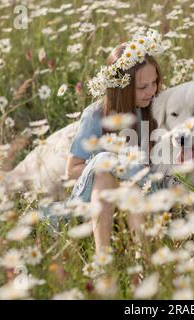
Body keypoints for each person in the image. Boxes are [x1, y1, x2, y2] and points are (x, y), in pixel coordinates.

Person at [65, 30, 164, 257]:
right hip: (100, 199)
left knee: (130, 186)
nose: (152, 91)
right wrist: (115, 166)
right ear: (122, 87)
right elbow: (71, 170)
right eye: (143, 87)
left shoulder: (157, 110)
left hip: (142, 195)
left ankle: (143, 261)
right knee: (104, 168)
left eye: (155, 82)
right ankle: (103, 258)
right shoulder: (96, 115)